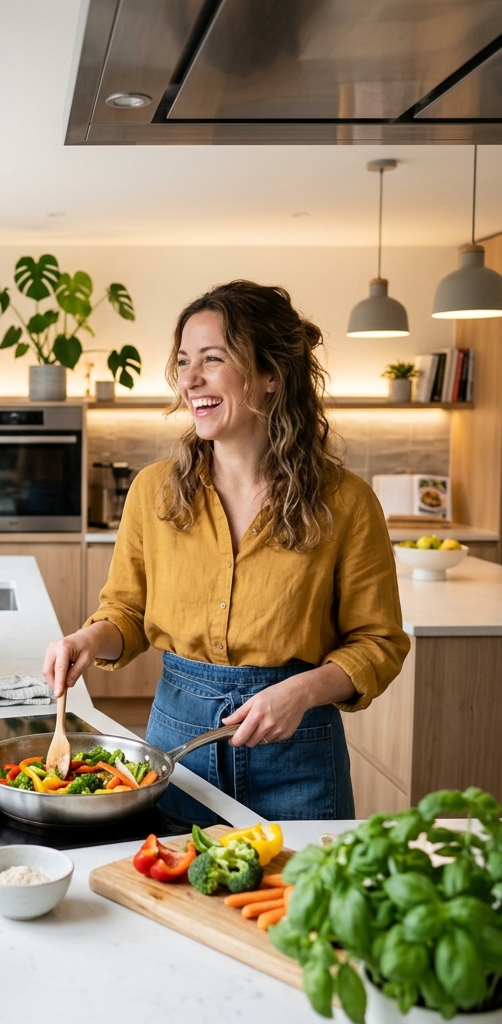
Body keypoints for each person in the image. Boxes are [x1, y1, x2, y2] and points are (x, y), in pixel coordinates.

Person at [43, 280, 409, 821]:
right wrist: (89, 637)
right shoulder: (154, 491)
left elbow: (379, 642)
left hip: (299, 756)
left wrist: (303, 691)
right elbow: (127, 611)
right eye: (185, 361)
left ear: (270, 375)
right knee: (170, 900)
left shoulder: (347, 503)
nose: (190, 380)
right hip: (176, 749)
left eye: (212, 360)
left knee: (300, 907)